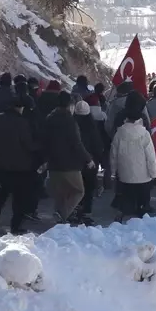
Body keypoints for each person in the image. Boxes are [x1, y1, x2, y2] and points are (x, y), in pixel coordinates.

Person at [0, 96, 39, 235]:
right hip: (21, 164)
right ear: (20, 108)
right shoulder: (22, 122)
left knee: (3, 190)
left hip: (1, 163)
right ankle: (15, 225)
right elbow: (28, 144)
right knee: (19, 196)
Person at [43, 91, 94, 224]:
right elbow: (76, 143)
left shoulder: (49, 118)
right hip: (69, 163)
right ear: (70, 105)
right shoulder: (69, 121)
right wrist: (88, 159)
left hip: (53, 163)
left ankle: (60, 221)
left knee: (61, 194)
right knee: (79, 191)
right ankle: (61, 215)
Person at [109, 103, 156, 222]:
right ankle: (142, 210)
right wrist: (153, 173)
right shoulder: (145, 134)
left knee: (126, 194)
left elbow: (113, 154)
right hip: (143, 175)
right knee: (142, 195)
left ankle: (122, 211)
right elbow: (150, 156)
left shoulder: (119, 133)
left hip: (125, 173)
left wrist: (113, 171)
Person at [73, 99, 103, 225]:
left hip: (75, 162)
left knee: (76, 188)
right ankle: (86, 212)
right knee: (88, 189)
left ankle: (75, 210)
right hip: (91, 162)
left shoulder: (72, 125)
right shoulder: (92, 126)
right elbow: (97, 145)